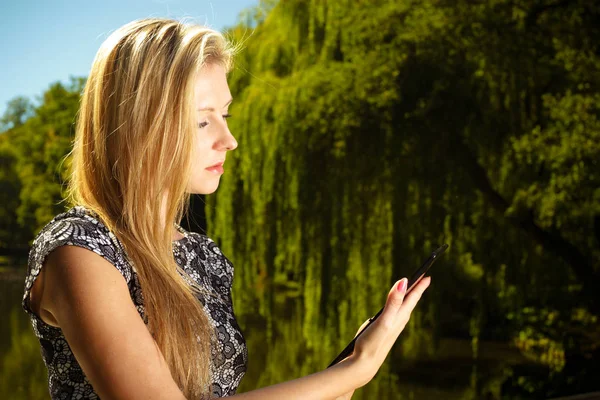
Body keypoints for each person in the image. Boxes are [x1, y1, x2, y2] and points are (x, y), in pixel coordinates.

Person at [21, 17, 431, 400]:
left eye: (226, 114)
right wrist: (356, 370)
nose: (229, 139)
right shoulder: (80, 250)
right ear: (141, 126)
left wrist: (344, 372)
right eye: (203, 121)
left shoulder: (202, 255)